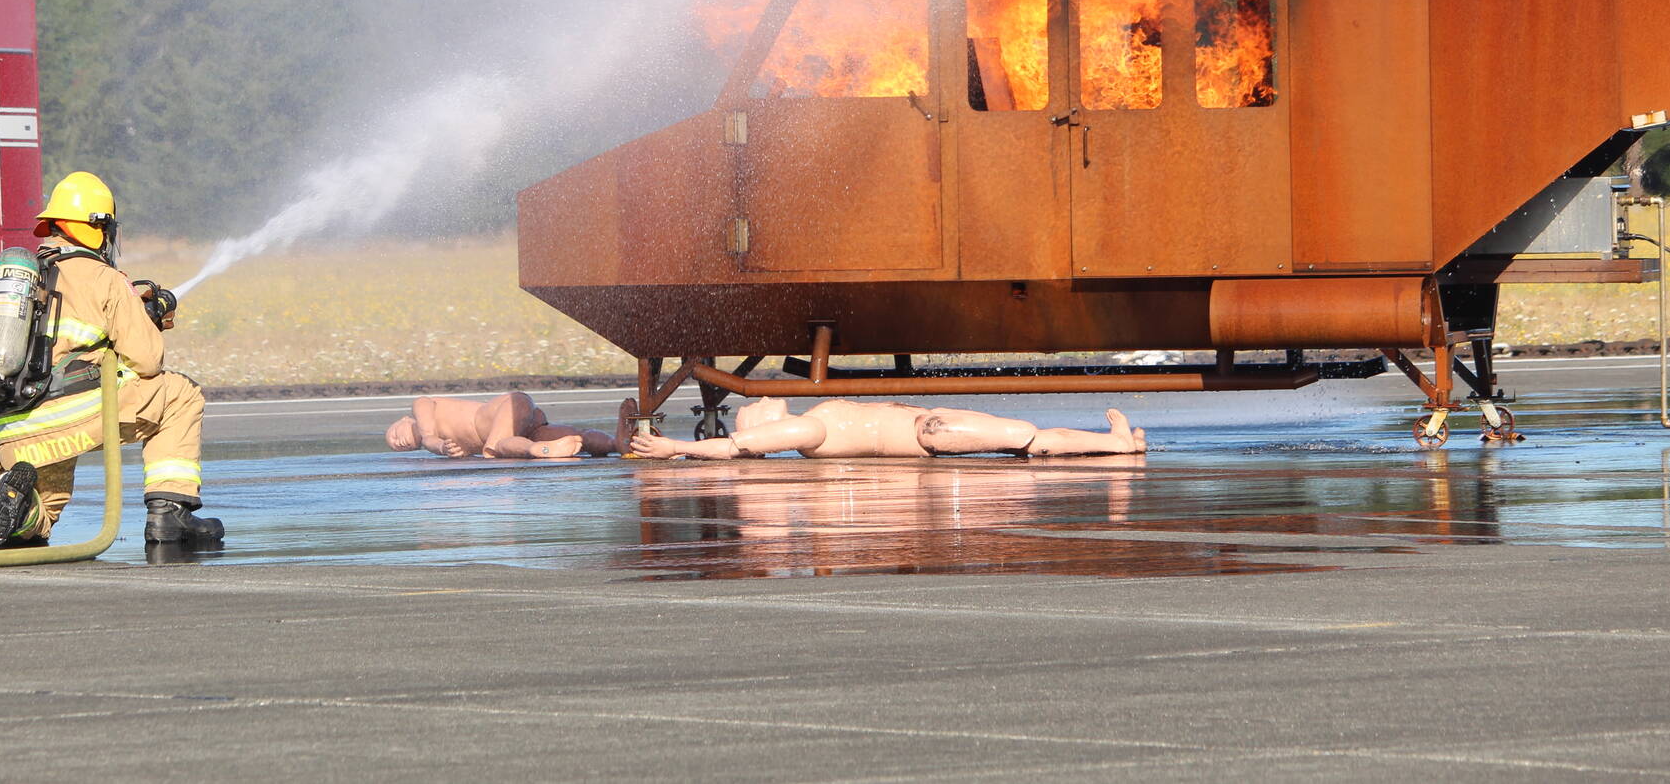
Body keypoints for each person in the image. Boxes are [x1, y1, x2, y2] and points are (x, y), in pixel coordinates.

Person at [0, 172, 223, 549]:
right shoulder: (104, 278)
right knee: (180, 394)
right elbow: (146, 361)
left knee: (44, 518)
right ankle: (169, 511)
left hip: (15, 427)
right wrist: (147, 321)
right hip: (74, 414)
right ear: (98, 227)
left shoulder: (27, 279)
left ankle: (19, 507)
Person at [629, 398, 1146, 460]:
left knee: (1026, 440)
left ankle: (1116, 445)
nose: (764, 397)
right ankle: (1115, 446)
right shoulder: (803, 430)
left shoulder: (810, 422)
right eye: (759, 404)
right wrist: (674, 447)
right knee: (1024, 438)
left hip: (925, 428)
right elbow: (739, 447)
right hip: (929, 432)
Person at [385, 391, 620, 459]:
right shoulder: (444, 440)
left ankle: (537, 450)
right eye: (398, 447)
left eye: (394, 434)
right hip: (520, 423)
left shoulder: (422, 405)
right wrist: (453, 450)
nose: (398, 442)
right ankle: (616, 443)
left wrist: (439, 447)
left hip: (507, 407)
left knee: (495, 448)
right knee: (578, 437)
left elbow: (428, 437)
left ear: (405, 420)